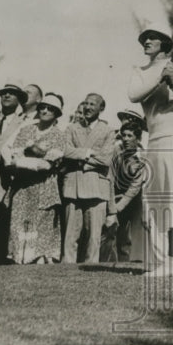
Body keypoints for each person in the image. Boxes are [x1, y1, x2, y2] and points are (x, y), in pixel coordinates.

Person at [128, 25, 173, 277]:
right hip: (156, 140)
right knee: (155, 201)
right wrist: (160, 77)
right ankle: (165, 262)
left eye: (153, 37)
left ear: (164, 42)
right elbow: (133, 95)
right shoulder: (139, 71)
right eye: (144, 38)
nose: (147, 41)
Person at [4, 93, 67, 264]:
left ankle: (41, 258)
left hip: (45, 186)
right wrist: (36, 155)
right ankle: (20, 258)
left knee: (42, 222)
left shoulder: (59, 135)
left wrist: (29, 151)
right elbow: (14, 157)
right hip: (22, 185)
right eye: (43, 107)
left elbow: (49, 163)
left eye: (51, 109)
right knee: (19, 221)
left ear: (57, 114)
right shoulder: (26, 130)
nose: (46, 111)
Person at [59, 94, 117, 264]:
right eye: (86, 103)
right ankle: (66, 269)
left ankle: (91, 269)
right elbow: (65, 151)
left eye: (93, 104)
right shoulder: (71, 128)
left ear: (101, 109)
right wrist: (87, 153)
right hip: (73, 187)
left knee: (94, 237)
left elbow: (105, 159)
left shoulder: (108, 131)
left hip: (97, 188)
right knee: (70, 236)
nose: (88, 107)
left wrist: (80, 162)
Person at [0, 80, 28, 264]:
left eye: (11, 93)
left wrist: (4, 156)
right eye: (3, 93)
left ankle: (7, 257)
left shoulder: (24, 121)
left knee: (7, 216)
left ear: (19, 99)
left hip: (9, 175)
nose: (6, 96)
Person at [108, 122, 148, 262]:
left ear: (137, 139)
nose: (125, 139)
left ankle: (134, 261)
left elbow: (135, 187)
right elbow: (110, 177)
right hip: (114, 194)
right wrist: (112, 204)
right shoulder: (116, 151)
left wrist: (120, 206)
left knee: (132, 233)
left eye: (130, 136)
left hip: (135, 198)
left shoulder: (143, 157)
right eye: (123, 135)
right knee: (114, 232)